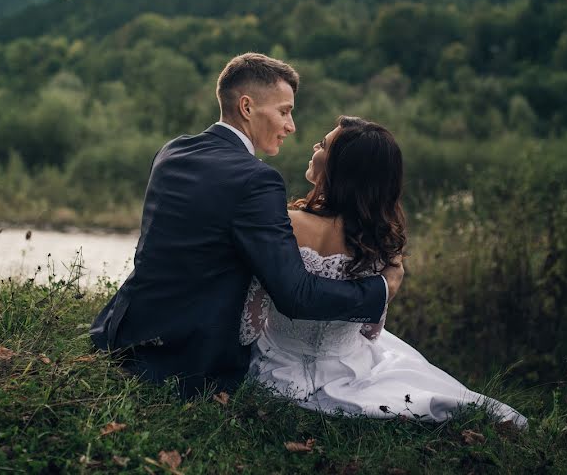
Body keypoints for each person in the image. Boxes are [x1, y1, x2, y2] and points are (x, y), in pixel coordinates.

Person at [90, 53, 404, 396]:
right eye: (284, 111)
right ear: (247, 107)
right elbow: (296, 294)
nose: (291, 126)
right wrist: (381, 289)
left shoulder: (172, 152)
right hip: (186, 358)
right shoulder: (258, 181)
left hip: (121, 330)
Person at [241, 116, 527, 426]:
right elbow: (370, 331)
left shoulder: (284, 224)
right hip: (346, 365)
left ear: (341, 166)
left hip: (276, 366)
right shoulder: (380, 241)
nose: (314, 146)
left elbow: (249, 325)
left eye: (323, 145)